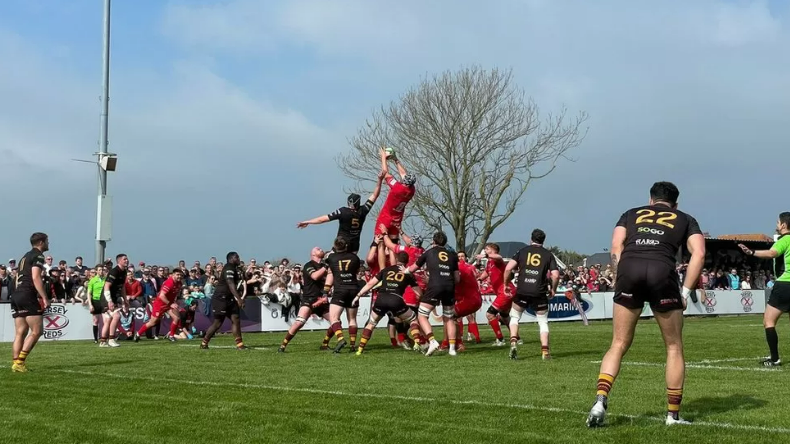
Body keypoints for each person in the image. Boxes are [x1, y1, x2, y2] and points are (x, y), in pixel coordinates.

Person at [586, 181, 704, 428]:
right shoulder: (685, 218)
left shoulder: (631, 213)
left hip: (630, 268)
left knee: (618, 343)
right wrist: (685, 291)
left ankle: (600, 400)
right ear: (676, 204)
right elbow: (699, 254)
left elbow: (616, 245)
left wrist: (621, 277)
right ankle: (672, 416)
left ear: (650, 200)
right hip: (662, 269)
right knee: (673, 347)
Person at [737, 211, 790, 367]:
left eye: (777, 222)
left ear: (784, 225)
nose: (776, 225)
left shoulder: (785, 239)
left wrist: (752, 252)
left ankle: (775, 358)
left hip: (785, 284)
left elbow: (773, 253)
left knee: (769, 321)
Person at [502, 229, 560, 360]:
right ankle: (545, 351)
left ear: (531, 239)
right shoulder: (548, 254)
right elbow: (555, 275)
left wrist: (505, 284)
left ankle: (513, 342)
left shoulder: (522, 251)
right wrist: (554, 289)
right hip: (539, 291)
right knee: (543, 321)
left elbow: (508, 268)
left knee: (515, 317)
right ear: (543, 241)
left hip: (522, 290)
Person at [297, 170, 386, 254]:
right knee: (351, 266)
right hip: (354, 246)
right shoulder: (363, 210)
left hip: (341, 244)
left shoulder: (343, 211)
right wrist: (379, 180)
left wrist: (308, 221)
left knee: (331, 261)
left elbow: (323, 219)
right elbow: (375, 195)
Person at [353, 252, 423, 355]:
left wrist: (358, 295)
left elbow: (371, 283)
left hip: (381, 299)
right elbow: (418, 293)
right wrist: (422, 298)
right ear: (407, 262)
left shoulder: (386, 270)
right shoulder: (408, 273)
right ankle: (417, 342)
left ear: (395, 259)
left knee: (371, 323)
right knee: (413, 319)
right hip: (396, 300)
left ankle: (360, 349)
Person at [404, 231, 459, 356]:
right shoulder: (452, 255)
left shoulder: (428, 253)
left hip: (435, 286)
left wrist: (405, 270)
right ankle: (452, 349)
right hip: (449, 287)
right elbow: (457, 279)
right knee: (449, 318)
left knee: (422, 315)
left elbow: (412, 269)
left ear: (433, 241)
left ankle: (432, 341)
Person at [9, 232, 50, 373]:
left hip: (16, 294)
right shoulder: (38, 255)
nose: (48, 244)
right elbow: (36, 277)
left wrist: (15, 294)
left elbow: (16, 277)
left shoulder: (24, 257)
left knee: (20, 332)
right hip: (27, 294)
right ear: (41, 242)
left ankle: (16, 362)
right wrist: (44, 297)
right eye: (47, 241)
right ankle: (20, 363)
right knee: (37, 331)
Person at [279, 247, 332, 352]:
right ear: (313, 254)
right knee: (299, 323)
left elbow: (330, 278)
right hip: (309, 299)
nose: (321, 249)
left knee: (336, 322)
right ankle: (283, 345)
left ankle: (325, 344)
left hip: (321, 299)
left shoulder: (323, 266)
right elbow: (315, 276)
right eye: (318, 249)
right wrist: (327, 266)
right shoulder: (309, 265)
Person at [374, 148, 416, 261]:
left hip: (386, 217)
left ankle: (383, 271)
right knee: (393, 245)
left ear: (404, 182)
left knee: (381, 244)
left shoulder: (397, 188)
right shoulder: (411, 190)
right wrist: (396, 160)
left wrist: (383, 157)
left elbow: (385, 173)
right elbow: (404, 174)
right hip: (397, 220)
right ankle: (394, 267)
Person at [201, 252, 247, 350]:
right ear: (231, 258)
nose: (239, 258)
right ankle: (204, 342)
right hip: (220, 298)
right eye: (237, 257)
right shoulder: (228, 268)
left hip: (229, 298)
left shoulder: (235, 268)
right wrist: (239, 299)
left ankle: (240, 345)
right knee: (218, 323)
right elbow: (230, 284)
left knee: (236, 319)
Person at [324, 237, 362, 353]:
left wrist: (325, 291)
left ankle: (340, 339)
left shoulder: (331, 258)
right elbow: (356, 272)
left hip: (340, 290)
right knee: (352, 319)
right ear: (346, 246)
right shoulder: (355, 258)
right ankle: (352, 346)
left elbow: (328, 268)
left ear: (335, 247)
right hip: (353, 289)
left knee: (334, 318)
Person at [440, 256, 483, 351]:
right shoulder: (468, 266)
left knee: (448, 317)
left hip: (468, 300)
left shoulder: (456, 268)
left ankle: (448, 343)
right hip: (475, 298)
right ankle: (458, 342)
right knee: (456, 317)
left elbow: (455, 281)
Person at [477, 243, 513, 346]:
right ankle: (516, 337)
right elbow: (486, 273)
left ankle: (500, 339)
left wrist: (485, 255)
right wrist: (479, 279)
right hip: (505, 292)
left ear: (493, 250)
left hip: (505, 292)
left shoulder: (497, 260)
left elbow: (499, 257)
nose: (485, 250)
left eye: (487, 249)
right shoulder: (489, 262)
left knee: (490, 314)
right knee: (504, 315)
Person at [135, 269, 185, 342]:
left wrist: (174, 302)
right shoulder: (169, 283)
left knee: (176, 318)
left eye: (181, 275)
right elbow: (161, 296)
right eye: (177, 274)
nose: (179, 276)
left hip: (168, 304)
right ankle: (138, 334)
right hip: (160, 304)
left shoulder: (179, 283)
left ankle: (171, 335)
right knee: (153, 322)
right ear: (173, 274)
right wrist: (171, 303)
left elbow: (174, 294)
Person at [101, 254, 129, 348]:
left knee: (108, 320)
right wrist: (109, 301)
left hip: (113, 298)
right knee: (116, 315)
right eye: (124, 259)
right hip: (106, 298)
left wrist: (125, 300)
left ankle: (103, 341)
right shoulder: (114, 271)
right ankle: (111, 339)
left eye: (127, 259)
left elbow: (122, 287)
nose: (127, 260)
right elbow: (106, 286)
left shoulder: (124, 271)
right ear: (119, 261)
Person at [87, 265, 107, 344]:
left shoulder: (105, 280)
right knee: (95, 321)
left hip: (103, 301)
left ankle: (104, 337)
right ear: (96, 271)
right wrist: (90, 304)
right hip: (95, 301)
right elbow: (89, 293)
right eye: (99, 270)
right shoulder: (92, 280)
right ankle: (95, 339)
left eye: (102, 270)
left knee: (106, 320)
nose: (101, 271)